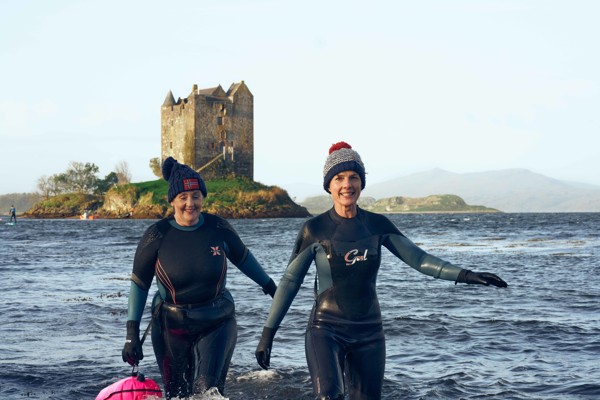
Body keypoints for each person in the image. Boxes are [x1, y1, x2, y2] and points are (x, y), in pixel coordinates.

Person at [255, 141, 508, 400]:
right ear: (329, 185)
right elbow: (289, 282)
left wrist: (467, 275)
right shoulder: (315, 229)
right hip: (325, 328)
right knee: (328, 396)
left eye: (353, 177)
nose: (347, 185)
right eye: (339, 178)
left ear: (361, 183)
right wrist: (267, 335)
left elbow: (419, 260)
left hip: (369, 332)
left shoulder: (377, 225)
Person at [122, 157, 277, 399]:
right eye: (183, 197)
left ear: (203, 197)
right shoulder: (157, 235)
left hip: (217, 321)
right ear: (172, 200)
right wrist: (132, 334)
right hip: (170, 326)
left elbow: (244, 259)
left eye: (196, 195)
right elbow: (140, 284)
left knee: (206, 392)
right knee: (176, 394)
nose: (190, 203)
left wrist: (272, 288)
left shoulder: (218, 228)